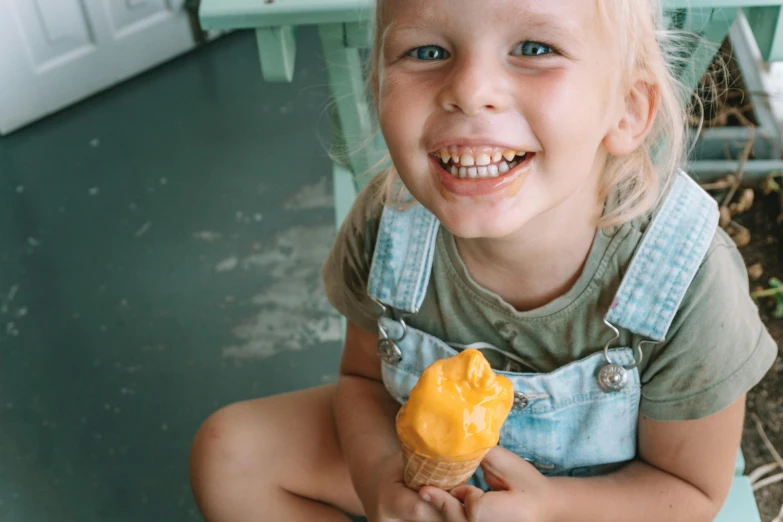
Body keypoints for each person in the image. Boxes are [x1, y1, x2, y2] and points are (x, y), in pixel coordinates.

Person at [189, 0, 778, 520]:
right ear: (376, 91)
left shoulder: (686, 280)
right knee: (231, 453)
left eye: (534, 48)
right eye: (426, 50)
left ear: (627, 106)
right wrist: (378, 486)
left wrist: (549, 510)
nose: (469, 89)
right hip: (418, 474)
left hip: (596, 506)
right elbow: (364, 381)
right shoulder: (388, 224)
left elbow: (687, 492)